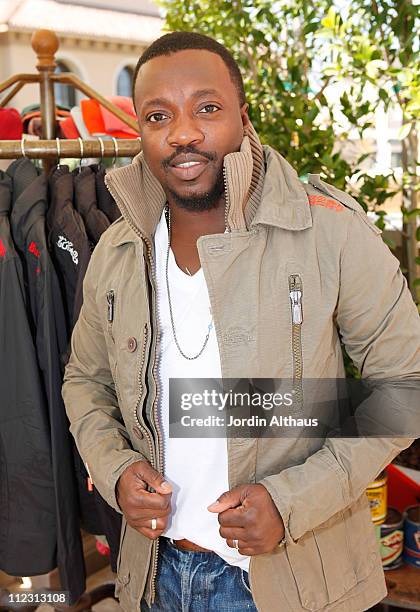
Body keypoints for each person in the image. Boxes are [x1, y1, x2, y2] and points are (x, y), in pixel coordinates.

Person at [63, 31, 420, 612]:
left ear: (243, 118)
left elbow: (405, 386)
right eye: (159, 115)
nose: (184, 133)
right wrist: (117, 468)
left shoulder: (327, 232)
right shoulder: (117, 250)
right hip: (154, 576)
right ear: (141, 131)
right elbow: (85, 382)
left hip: (290, 581)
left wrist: (292, 500)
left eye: (208, 108)